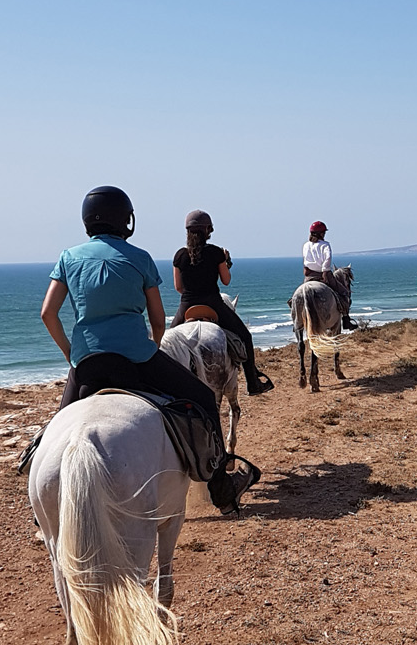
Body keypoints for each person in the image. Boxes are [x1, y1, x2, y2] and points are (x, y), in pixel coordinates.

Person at [39, 186, 259, 514]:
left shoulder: (68, 258)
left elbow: (48, 313)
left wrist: (73, 354)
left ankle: (42, 511)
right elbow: (157, 319)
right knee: (202, 400)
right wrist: (153, 350)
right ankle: (222, 490)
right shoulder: (139, 257)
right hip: (136, 360)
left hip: (87, 365)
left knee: (53, 434)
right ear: (126, 220)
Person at [171, 209, 274, 395]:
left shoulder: (179, 256)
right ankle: (253, 382)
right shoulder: (216, 252)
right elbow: (226, 281)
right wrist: (226, 261)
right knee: (245, 336)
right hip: (214, 305)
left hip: (186, 306)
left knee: (166, 343)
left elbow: (179, 287)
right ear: (207, 230)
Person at [302, 221, 358, 330]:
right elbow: (327, 259)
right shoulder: (325, 245)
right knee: (344, 293)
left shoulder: (306, 245)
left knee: (302, 293)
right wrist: (325, 271)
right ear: (321, 234)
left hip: (309, 276)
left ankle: (298, 323)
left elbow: (305, 259)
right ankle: (346, 320)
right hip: (324, 274)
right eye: (323, 232)